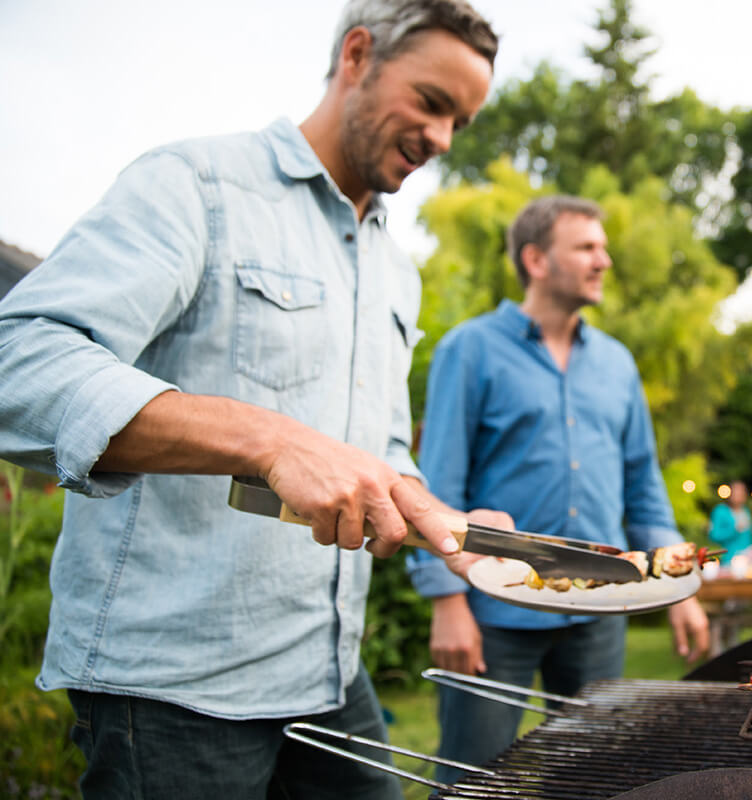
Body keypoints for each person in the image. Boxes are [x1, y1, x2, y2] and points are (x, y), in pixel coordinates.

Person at [0, 2, 503, 796]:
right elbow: (17, 361)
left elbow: (368, 450)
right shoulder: (198, 185)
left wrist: (438, 518)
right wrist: (264, 438)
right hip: (174, 690)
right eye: (433, 103)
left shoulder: (396, 271)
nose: (442, 139)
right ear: (358, 54)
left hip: (326, 672)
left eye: (460, 123)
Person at [408, 194, 710, 784]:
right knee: (473, 780)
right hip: (496, 608)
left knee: (601, 779)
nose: (605, 260)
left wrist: (683, 585)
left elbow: (644, 488)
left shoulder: (618, 363)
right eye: (587, 247)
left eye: (603, 247)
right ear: (537, 260)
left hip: (603, 607)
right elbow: (437, 486)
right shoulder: (469, 350)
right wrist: (445, 601)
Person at [708, 479, 752, 564]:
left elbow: (748, 539)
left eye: (741, 492)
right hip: (728, 558)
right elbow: (714, 535)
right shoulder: (720, 511)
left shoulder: (745, 511)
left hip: (747, 557)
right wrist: (734, 530)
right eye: (736, 492)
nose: (738, 495)